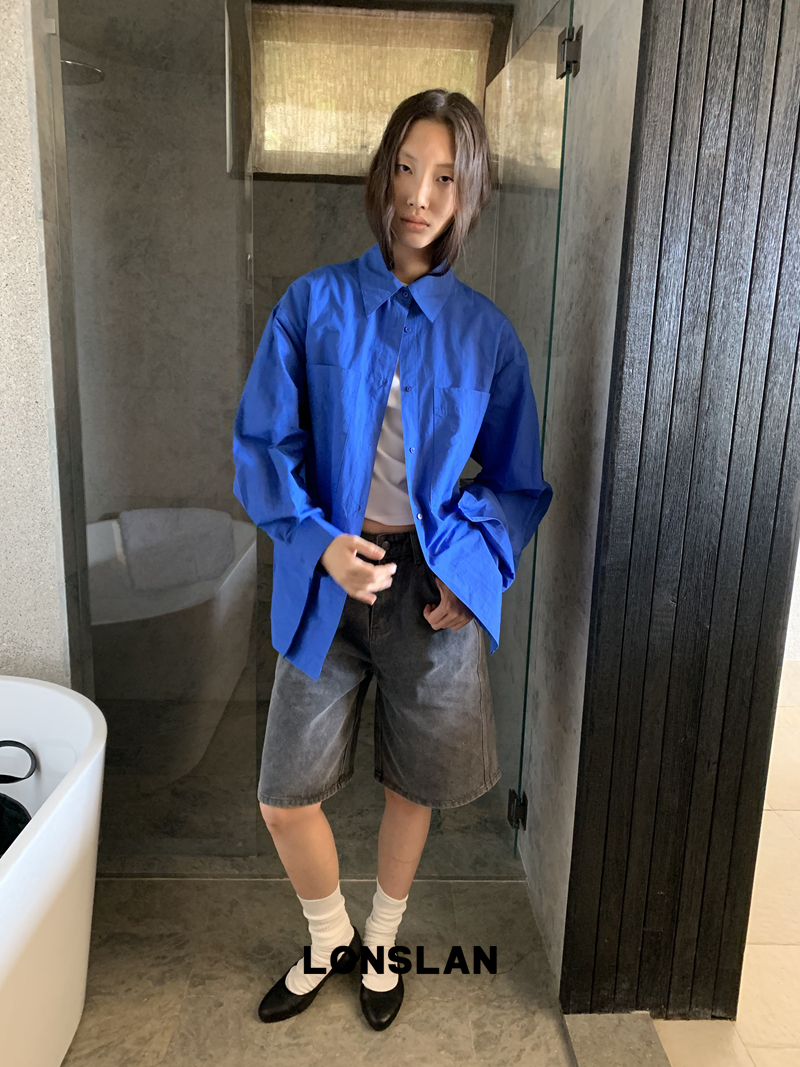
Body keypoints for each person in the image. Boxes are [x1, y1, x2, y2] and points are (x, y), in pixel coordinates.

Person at [232, 88, 552, 1031]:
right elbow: (263, 446)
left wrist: (471, 570)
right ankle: (326, 934)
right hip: (329, 570)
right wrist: (317, 542)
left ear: (469, 192)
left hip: (430, 582)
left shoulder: (486, 334)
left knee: (413, 782)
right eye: (407, 168)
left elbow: (518, 480)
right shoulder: (313, 303)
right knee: (283, 795)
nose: (419, 195)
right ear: (382, 172)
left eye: (445, 177)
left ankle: (380, 941)